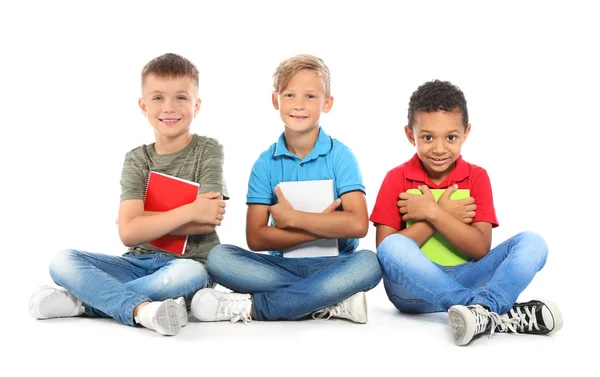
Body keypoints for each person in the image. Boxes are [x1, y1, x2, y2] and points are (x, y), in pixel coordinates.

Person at [28, 53, 228, 336]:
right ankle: (142, 309)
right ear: (143, 106)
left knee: (188, 276)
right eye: (158, 98)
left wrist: (143, 221)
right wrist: (187, 211)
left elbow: (206, 220)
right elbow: (129, 235)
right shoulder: (137, 159)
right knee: (62, 260)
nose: (169, 107)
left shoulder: (208, 150)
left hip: (189, 265)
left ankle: (84, 303)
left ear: (196, 106)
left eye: (181, 98)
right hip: (136, 262)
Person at [190, 54, 382, 324]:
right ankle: (332, 298)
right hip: (280, 267)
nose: (299, 105)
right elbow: (256, 238)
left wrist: (295, 220)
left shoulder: (341, 156)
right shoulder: (265, 163)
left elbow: (358, 224)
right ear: (275, 100)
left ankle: (253, 308)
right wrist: (321, 226)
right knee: (219, 258)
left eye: (311, 97)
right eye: (290, 95)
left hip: (334, 264)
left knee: (369, 263)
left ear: (327, 103)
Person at [370, 79, 562, 345]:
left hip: (469, 276)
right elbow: (386, 253)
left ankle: (478, 312)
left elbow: (480, 248)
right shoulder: (396, 178)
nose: (439, 149)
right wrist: (438, 213)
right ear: (410, 134)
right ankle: (490, 308)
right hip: (413, 291)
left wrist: (434, 213)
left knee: (533, 242)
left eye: (451, 137)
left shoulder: (477, 177)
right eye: (427, 137)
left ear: (466, 132)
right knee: (392, 246)